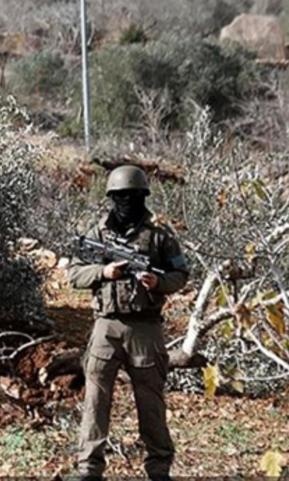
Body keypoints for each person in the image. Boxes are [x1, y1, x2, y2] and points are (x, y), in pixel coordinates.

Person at [66, 165, 190, 481]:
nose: (126, 201)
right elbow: (74, 274)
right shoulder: (97, 234)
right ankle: (89, 470)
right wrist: (103, 273)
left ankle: (159, 468)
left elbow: (180, 275)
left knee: (150, 402)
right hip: (106, 325)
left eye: (132, 196)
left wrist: (156, 283)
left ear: (143, 196)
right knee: (95, 400)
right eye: (120, 196)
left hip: (145, 328)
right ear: (111, 197)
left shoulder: (161, 235)